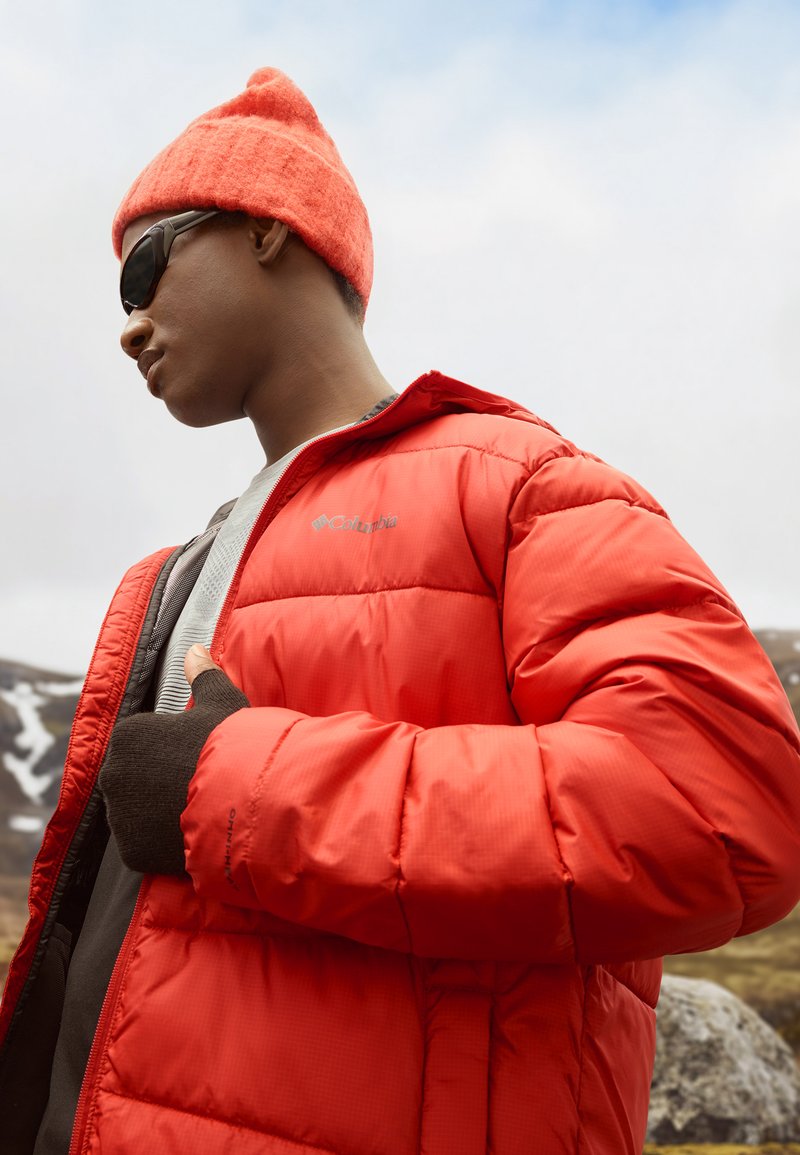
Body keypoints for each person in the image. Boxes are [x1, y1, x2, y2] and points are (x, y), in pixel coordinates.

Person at [1, 67, 799, 1155]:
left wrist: (245, 789)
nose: (130, 328)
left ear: (266, 228)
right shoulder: (169, 572)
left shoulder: (521, 487)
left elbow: (723, 809)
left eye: (145, 268)